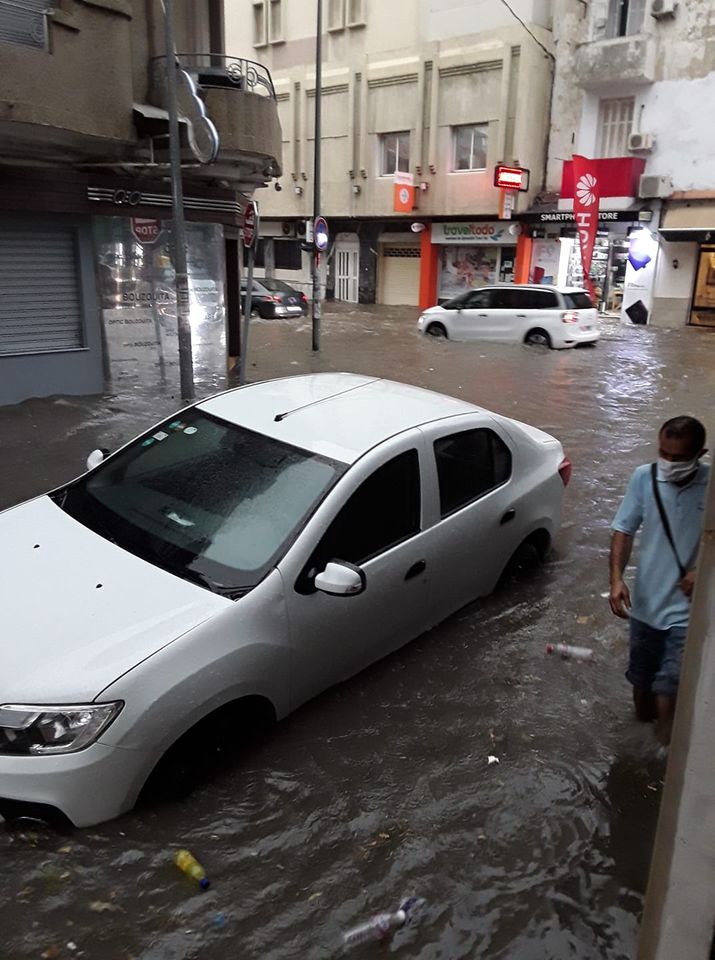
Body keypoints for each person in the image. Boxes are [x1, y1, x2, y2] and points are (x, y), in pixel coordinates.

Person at [609, 416, 709, 746]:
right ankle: (642, 747)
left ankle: (666, 757)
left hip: (689, 613)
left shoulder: (712, 486)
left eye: (679, 458)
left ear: (700, 454)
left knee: (669, 690)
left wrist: (704, 571)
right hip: (647, 607)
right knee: (641, 686)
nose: (669, 463)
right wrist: (616, 580)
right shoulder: (644, 478)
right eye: (664, 454)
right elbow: (624, 529)